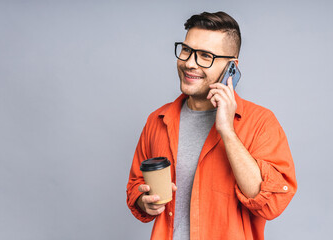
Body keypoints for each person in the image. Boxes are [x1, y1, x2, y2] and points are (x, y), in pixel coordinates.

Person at [126, 11, 297, 240]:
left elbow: (271, 203)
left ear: (232, 66)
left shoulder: (261, 123)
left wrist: (227, 131)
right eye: (186, 50)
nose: (189, 63)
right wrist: (143, 200)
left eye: (205, 56)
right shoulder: (158, 120)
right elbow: (135, 185)